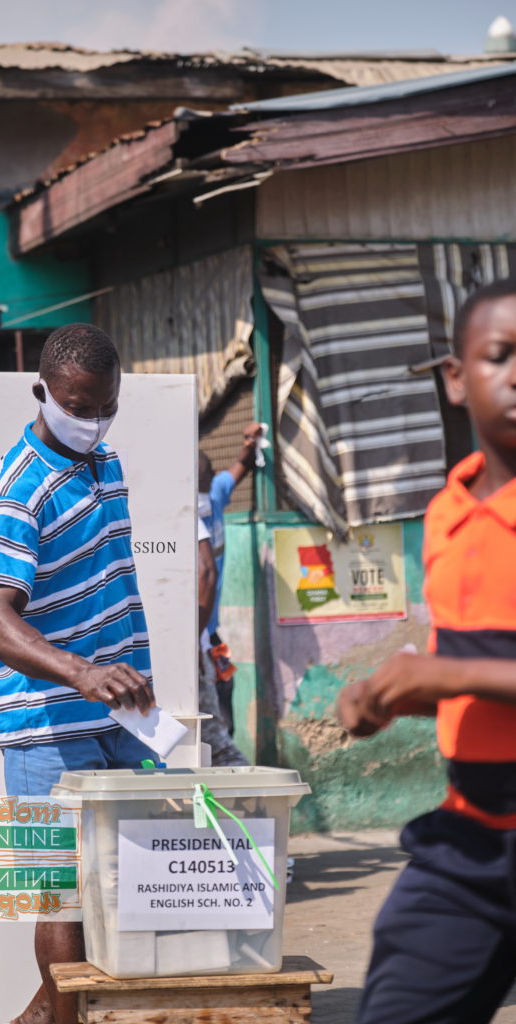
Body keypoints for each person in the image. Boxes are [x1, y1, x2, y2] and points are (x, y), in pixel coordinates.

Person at [337, 279, 516, 1024]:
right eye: (500, 356)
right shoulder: (446, 512)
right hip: (470, 841)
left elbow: (460, 667)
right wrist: (398, 699)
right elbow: (479, 670)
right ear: (454, 377)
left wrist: (438, 672)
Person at [0, 323, 157, 1024]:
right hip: (46, 723)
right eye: (77, 407)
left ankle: (51, 1016)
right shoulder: (17, 486)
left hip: (126, 714)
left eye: (104, 406)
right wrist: (79, 671)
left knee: (141, 879)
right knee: (61, 893)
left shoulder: (104, 462)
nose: (91, 421)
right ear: (40, 392)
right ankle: (59, 1017)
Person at [198, 424, 262, 762]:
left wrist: (250, 441)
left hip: (210, 629)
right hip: (196, 630)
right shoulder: (186, 510)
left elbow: (240, 466)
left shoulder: (215, 494)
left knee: (223, 692)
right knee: (212, 705)